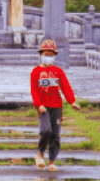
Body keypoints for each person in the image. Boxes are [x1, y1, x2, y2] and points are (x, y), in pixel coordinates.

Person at [30, 39, 81, 172]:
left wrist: (72, 101)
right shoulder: (35, 72)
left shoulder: (58, 71)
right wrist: (38, 105)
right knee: (46, 131)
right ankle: (40, 154)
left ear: (54, 56)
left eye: (50, 54)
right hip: (44, 107)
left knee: (55, 135)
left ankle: (52, 161)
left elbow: (65, 87)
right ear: (41, 55)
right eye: (45, 54)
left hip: (57, 107)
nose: (48, 57)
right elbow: (34, 91)